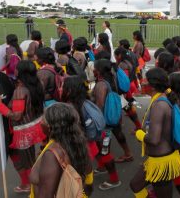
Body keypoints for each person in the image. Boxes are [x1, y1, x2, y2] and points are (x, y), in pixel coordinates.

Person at [131, 68, 180, 198]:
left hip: (161, 162)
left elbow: (154, 139)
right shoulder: (160, 99)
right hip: (157, 159)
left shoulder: (159, 104)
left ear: (153, 85)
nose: (142, 82)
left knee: (137, 186)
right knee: (135, 185)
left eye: (145, 80)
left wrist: (139, 134)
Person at [0, 61, 45, 193]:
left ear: (22, 72)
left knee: (28, 162)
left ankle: (35, 189)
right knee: (27, 159)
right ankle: (28, 185)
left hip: (23, 131)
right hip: (33, 125)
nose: (15, 70)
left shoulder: (20, 91)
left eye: (17, 69)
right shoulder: (37, 84)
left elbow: (17, 116)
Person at [30, 103, 91, 198]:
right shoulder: (79, 143)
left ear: (50, 127)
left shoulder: (51, 155)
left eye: (43, 119)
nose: (40, 122)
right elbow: (89, 183)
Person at [91, 59, 122, 190]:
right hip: (107, 124)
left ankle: (114, 179)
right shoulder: (111, 79)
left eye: (94, 68)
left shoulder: (100, 85)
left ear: (97, 71)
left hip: (103, 126)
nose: (92, 70)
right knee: (98, 148)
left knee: (104, 152)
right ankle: (102, 166)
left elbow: (99, 106)